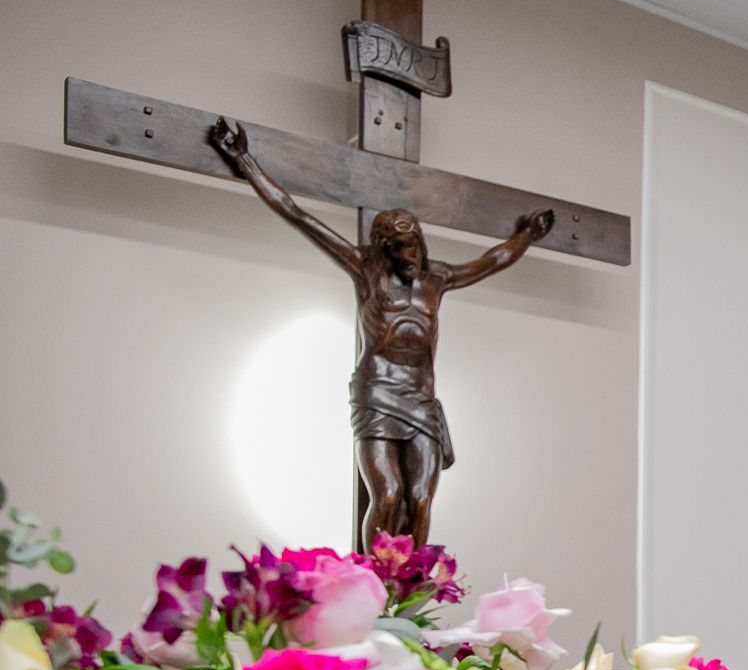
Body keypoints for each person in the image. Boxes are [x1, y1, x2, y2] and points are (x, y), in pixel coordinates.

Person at [209, 118, 555, 552]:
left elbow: (496, 258)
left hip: (421, 400)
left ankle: (407, 592)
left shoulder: (438, 279)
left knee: (422, 501)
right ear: (383, 247)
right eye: (396, 248)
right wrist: (244, 159)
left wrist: (527, 235)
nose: (406, 255)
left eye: (412, 247)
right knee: (388, 494)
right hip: (377, 394)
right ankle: (375, 585)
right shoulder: (365, 269)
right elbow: (296, 213)